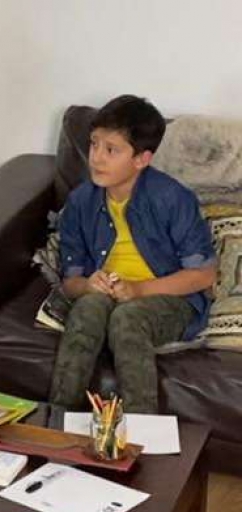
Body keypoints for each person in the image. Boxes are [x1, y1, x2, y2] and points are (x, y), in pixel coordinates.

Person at [49, 95, 217, 413]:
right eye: (94, 144)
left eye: (111, 150)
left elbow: (204, 275)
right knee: (86, 309)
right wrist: (87, 285)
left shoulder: (172, 198)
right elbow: (70, 281)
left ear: (141, 159)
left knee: (128, 318)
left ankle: (142, 427)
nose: (96, 158)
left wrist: (138, 290)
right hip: (107, 293)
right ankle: (59, 421)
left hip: (167, 297)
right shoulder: (81, 201)